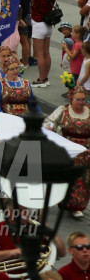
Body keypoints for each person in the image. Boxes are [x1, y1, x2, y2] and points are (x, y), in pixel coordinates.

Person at [44, 86, 90, 217]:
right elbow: (48, 122)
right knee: (64, 178)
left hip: (85, 152)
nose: (81, 102)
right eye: (78, 100)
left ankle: (77, 207)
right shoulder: (63, 110)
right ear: (71, 99)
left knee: (82, 180)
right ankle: (61, 200)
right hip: (67, 151)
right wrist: (50, 127)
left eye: (83, 100)